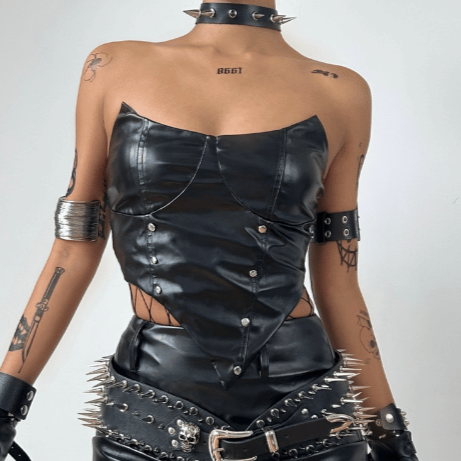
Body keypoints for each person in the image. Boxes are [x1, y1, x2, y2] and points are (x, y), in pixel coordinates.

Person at [0, 1, 418, 460]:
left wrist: (390, 438)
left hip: (305, 411)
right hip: (150, 411)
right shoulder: (112, 66)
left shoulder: (342, 90)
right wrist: (4, 405)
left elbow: (339, 281)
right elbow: (72, 250)